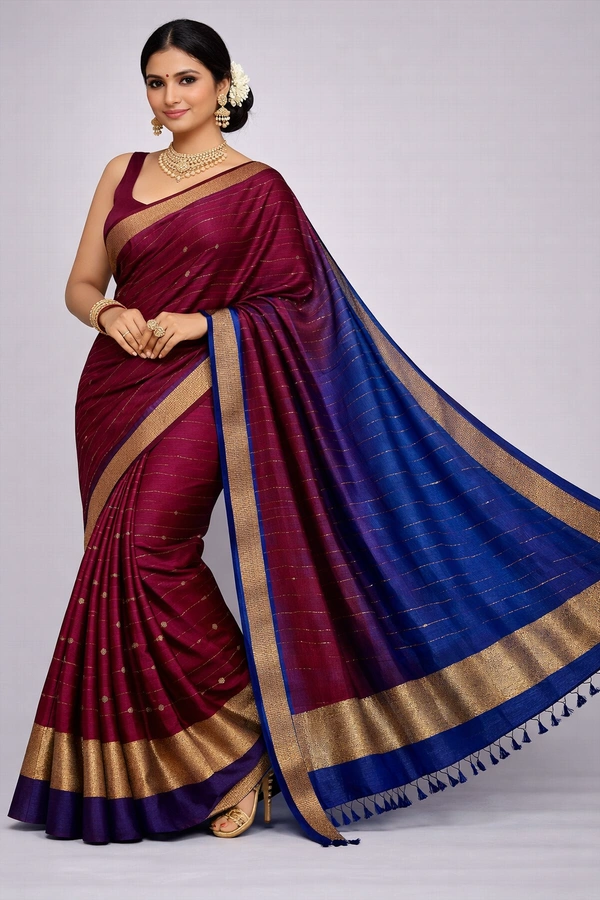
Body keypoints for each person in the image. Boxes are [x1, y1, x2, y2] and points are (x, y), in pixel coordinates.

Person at [8, 19, 600, 848]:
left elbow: (300, 306)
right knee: (117, 570)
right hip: (114, 393)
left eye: (186, 79)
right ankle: (169, 769)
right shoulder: (122, 171)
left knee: (151, 553)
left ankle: (256, 746)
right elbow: (80, 283)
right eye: (156, 81)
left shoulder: (260, 189)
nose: (170, 96)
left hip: (204, 385)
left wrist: (202, 323)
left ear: (223, 85)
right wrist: (108, 314)